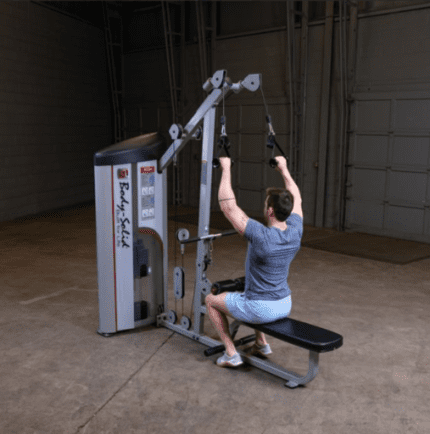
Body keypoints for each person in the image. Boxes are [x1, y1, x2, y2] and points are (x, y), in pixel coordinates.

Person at [205, 155, 303, 368]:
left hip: (260, 308)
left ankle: (231, 353)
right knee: (249, 292)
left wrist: (226, 168)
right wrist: (284, 169)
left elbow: (228, 207)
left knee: (211, 301)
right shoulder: (295, 230)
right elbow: (297, 197)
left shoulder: (260, 235)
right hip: (285, 303)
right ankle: (261, 342)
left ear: (269, 211)